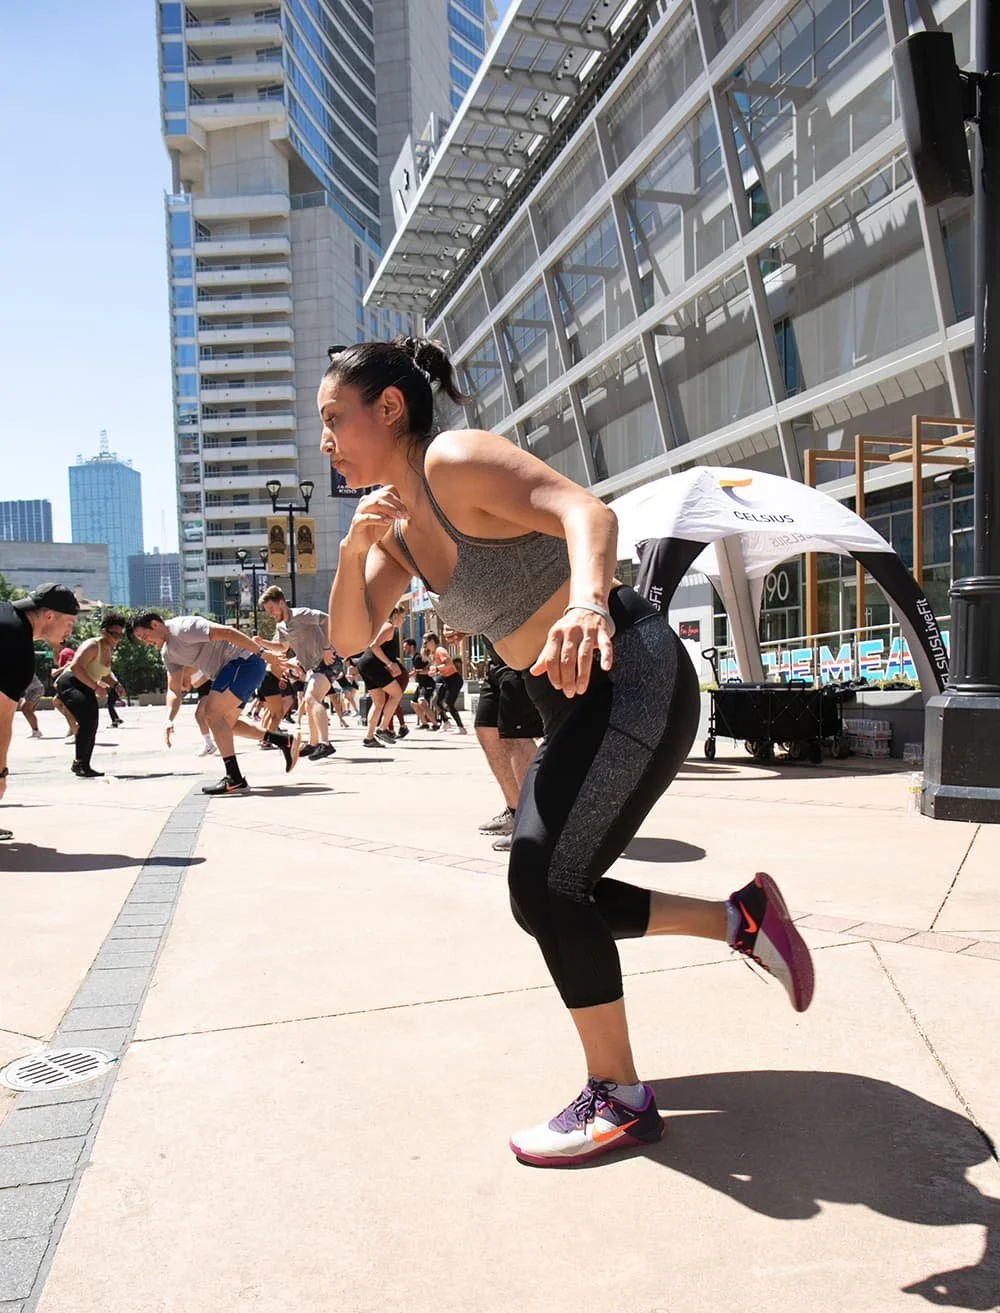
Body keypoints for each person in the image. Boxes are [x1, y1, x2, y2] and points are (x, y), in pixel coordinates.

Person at [322, 337, 815, 1167]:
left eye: (337, 419)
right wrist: (348, 555)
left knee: (546, 884)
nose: (328, 441)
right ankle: (741, 919)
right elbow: (348, 636)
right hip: (567, 700)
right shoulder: (398, 531)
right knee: (547, 890)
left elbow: (589, 513)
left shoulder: (454, 462)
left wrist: (586, 605)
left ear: (391, 408)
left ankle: (619, 1098)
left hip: (629, 666)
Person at [129, 610, 298, 795]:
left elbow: (227, 632)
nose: (146, 642)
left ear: (155, 624)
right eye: (141, 640)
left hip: (243, 662)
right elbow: (173, 689)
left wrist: (263, 653)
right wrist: (169, 718)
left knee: (211, 714)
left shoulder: (183, 628)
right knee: (226, 725)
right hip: (233, 672)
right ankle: (283, 741)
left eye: (145, 636)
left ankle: (234, 778)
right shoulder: (168, 653)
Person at [0, 583, 80, 838]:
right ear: (48, 616)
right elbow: (1, 720)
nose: (70, 631)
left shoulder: (4, 613)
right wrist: (0, 773)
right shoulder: (17, 649)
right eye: (68, 623)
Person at [256, 585, 338, 761]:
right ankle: (314, 744)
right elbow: (283, 647)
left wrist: (326, 647)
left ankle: (325, 743)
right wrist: (262, 643)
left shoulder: (301, 614)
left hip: (326, 661)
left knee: (311, 698)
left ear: (282, 603)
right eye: (267, 611)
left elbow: (328, 619)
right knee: (309, 704)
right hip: (312, 667)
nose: (270, 613)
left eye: (271, 608)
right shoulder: (281, 626)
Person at [475, 642, 542, 848]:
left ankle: (535, 826)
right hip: (497, 660)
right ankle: (515, 812)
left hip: (521, 657)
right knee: (487, 728)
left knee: (517, 736)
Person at [55, 611, 127, 778]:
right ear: (104, 631)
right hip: (70, 682)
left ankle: (81, 763)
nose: (116, 637)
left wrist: (116, 685)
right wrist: (95, 687)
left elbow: (103, 673)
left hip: (85, 685)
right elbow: (76, 667)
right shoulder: (93, 645)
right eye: (113, 633)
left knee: (91, 722)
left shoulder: (109, 649)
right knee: (88, 719)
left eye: (119, 634)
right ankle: (81, 764)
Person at [355, 605, 405, 748]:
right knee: (396, 693)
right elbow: (374, 645)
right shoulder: (389, 627)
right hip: (371, 665)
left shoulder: (386, 626)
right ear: (395, 615)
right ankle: (383, 728)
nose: (403, 621)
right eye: (403, 617)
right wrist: (389, 664)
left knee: (379, 703)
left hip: (366, 665)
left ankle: (369, 737)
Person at [424, 631, 466, 733]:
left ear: (432, 641)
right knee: (435, 702)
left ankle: (461, 728)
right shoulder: (434, 653)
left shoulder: (440, 650)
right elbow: (440, 667)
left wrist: (437, 669)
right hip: (445, 679)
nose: (425, 645)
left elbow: (449, 664)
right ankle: (446, 722)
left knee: (448, 704)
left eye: (426, 642)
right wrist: (434, 671)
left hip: (454, 679)